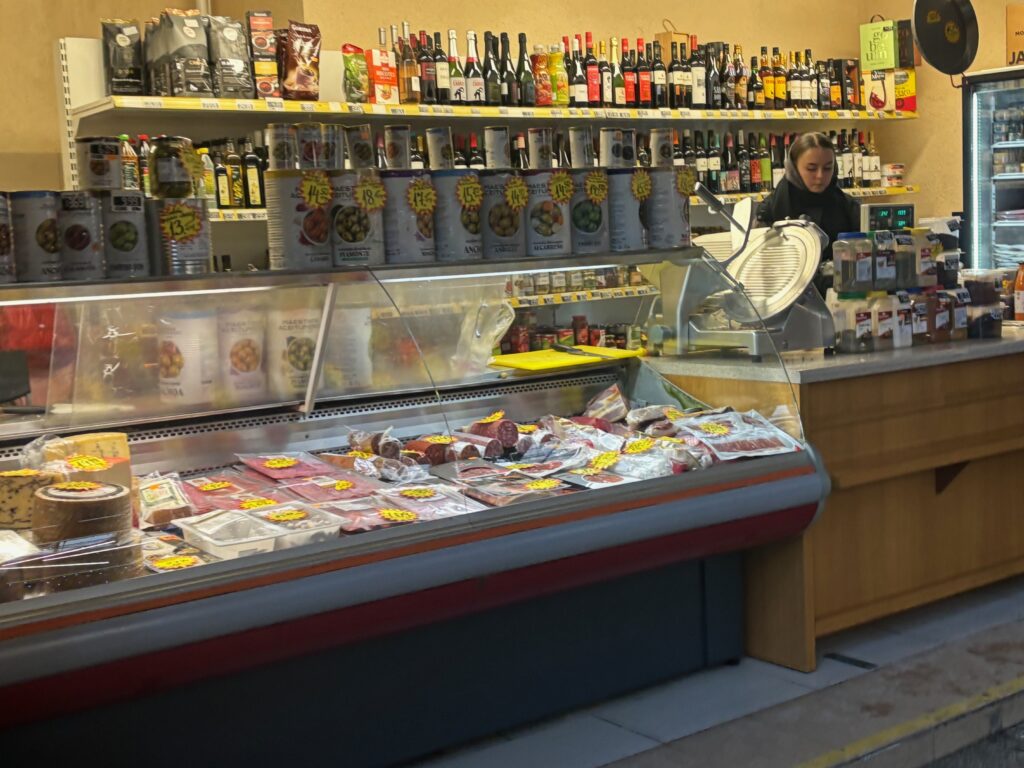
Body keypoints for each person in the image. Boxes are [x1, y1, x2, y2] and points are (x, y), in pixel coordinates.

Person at [756, 132, 860, 285]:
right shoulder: (770, 209)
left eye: (827, 168)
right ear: (794, 168)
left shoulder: (848, 207)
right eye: (811, 169)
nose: (820, 176)